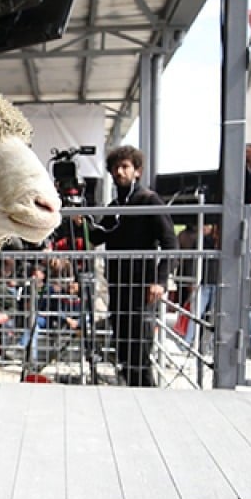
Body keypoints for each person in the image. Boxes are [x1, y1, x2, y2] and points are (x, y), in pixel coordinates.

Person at [85, 144, 178, 387]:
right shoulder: (115, 206)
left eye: (125, 167)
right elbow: (96, 237)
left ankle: (148, 395)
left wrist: (160, 280)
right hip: (117, 286)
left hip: (142, 286)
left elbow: (171, 242)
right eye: (115, 168)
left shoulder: (150, 200)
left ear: (137, 170)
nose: (119, 172)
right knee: (123, 347)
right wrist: (80, 219)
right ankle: (132, 392)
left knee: (139, 350)